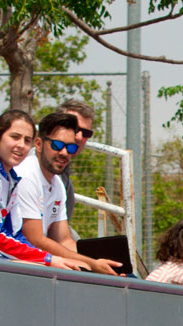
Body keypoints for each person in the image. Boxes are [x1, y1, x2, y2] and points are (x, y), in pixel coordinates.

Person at [8, 112, 121, 275]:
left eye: (71, 147)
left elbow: (64, 239)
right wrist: (90, 264)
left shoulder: (58, 184)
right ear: (38, 144)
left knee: (116, 273)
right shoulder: (26, 175)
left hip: (33, 260)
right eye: (57, 145)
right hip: (8, 262)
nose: (64, 153)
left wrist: (97, 262)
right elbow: (36, 240)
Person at [0, 109, 84, 270]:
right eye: (15, 137)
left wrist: (50, 258)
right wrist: (48, 259)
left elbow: (15, 234)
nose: (21, 146)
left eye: (26, 140)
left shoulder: (10, 178)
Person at [55, 99, 95, 222]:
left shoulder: (64, 170)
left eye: (86, 133)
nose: (79, 137)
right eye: (75, 129)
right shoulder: (32, 167)